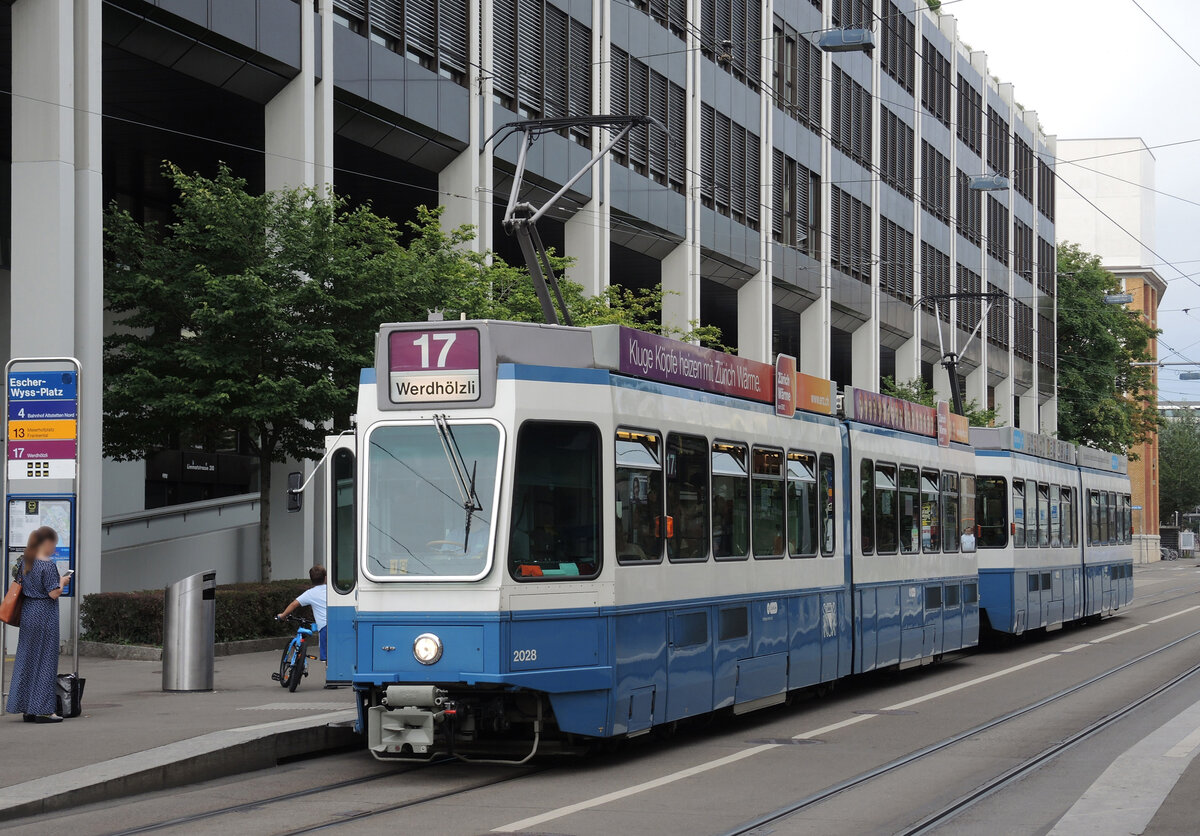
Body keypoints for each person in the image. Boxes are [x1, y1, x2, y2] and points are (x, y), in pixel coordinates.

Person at [7, 527, 70, 723]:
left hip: (28, 613)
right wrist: (63, 581)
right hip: (45, 615)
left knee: (28, 659)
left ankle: (27, 708)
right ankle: (43, 710)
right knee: (45, 661)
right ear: (47, 543)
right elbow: (53, 593)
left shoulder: (25, 562)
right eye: (54, 543)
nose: (54, 548)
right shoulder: (47, 565)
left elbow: (20, 584)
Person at [278, 566, 328, 665]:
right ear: (326, 578)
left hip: (324, 627)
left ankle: (330, 676)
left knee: (327, 657)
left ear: (311, 580)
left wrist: (283, 616)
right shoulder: (333, 590)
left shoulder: (310, 593)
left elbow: (294, 604)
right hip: (339, 624)